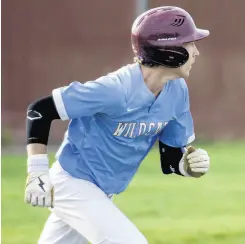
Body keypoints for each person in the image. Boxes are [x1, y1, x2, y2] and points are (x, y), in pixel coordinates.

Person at [25, 6, 211, 244]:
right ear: (168, 51)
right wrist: (37, 170)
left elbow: (171, 158)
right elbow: (40, 110)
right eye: (189, 44)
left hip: (103, 192)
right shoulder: (116, 90)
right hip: (72, 183)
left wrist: (187, 166)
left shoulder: (177, 91)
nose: (196, 52)